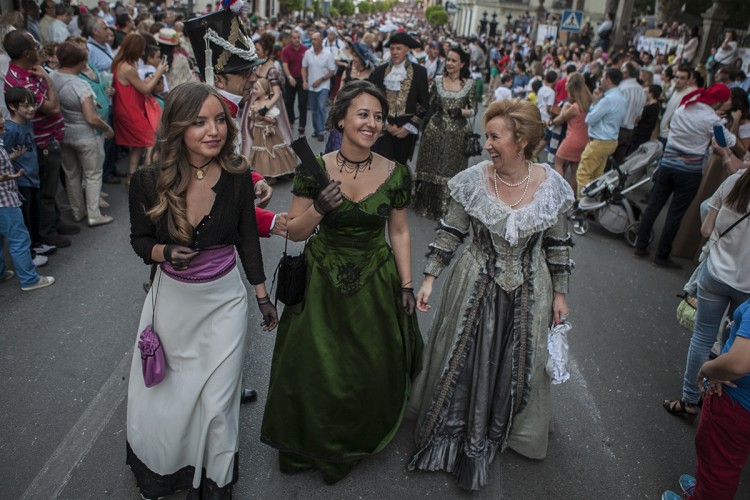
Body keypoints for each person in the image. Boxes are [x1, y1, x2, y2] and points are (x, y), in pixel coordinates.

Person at [260, 80, 422, 485]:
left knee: (362, 367)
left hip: (374, 282)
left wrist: (405, 284)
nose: (371, 124)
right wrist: (318, 207)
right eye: (363, 114)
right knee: (315, 368)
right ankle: (309, 442)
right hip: (321, 282)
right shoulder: (314, 167)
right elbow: (294, 232)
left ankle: (351, 440)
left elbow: (399, 232)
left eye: (378, 117)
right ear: (342, 119)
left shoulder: (397, 172)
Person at [408, 98, 574, 491]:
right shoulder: (475, 178)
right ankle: (457, 426)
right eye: (487, 135)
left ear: (522, 141)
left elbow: (559, 245)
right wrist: (430, 276)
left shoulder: (550, 185)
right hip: (474, 283)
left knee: (520, 362)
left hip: (531, 289)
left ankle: (505, 428)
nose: (487, 144)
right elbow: (451, 230)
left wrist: (560, 295)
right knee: (464, 357)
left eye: (495, 137)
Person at [126, 82, 278, 499]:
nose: (214, 130)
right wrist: (162, 251)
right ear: (177, 127)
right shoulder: (146, 180)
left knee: (218, 400)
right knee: (170, 398)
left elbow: (248, 238)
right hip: (172, 304)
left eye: (219, 120)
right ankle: (166, 469)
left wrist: (262, 296)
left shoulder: (237, 176)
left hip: (225, 303)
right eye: (199, 122)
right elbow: (139, 241)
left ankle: (214, 479)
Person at [662, 146, 750, 421]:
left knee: (702, 337)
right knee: (731, 341)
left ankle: (689, 399)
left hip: (715, 273)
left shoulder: (734, 181)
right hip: (747, 287)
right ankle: (716, 391)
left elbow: (705, 229)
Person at [634, 84, 737, 268]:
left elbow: (671, 125)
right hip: (689, 172)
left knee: (653, 206)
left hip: (667, 164)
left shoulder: (685, 107)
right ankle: (662, 254)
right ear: (719, 101)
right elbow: (725, 141)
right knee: (675, 214)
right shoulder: (713, 119)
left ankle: (640, 245)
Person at [661, 292, 750, 500]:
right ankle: (703, 486)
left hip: (736, 404)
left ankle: (705, 492)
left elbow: (738, 363)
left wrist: (708, 369)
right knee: (720, 462)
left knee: (719, 468)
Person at [4, 29, 76, 249]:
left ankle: (54, 221)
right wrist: (47, 78)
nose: (39, 49)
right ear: (26, 53)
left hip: (51, 137)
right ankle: (47, 232)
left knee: (51, 186)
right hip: (43, 142)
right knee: (45, 190)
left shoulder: (30, 70)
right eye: (35, 47)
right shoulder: (21, 82)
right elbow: (53, 108)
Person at [50, 41, 114, 227]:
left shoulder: (53, 76)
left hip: (64, 132)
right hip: (85, 135)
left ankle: (77, 211)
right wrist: (107, 128)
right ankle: (94, 214)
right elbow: (91, 118)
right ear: (79, 62)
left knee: (71, 174)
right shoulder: (80, 85)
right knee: (93, 174)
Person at [412, 45, 476, 220]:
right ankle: (424, 203)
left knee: (451, 167)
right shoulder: (438, 81)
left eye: (454, 60)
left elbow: (474, 110)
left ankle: (446, 206)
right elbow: (427, 102)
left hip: (457, 133)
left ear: (462, 64)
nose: (449, 63)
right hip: (435, 129)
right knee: (430, 164)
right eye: (448, 59)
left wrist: (461, 112)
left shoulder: (469, 84)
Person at [0, 111, 55, 291]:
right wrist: (5, 177)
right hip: (5, 202)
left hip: (6, 198)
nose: (4, 122)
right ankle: (30, 279)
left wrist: (12, 158)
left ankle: (1, 272)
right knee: (19, 239)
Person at [111, 32, 167, 185]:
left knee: (137, 146)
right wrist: (158, 72)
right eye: (141, 50)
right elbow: (145, 88)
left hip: (124, 109)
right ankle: (147, 180)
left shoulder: (118, 64)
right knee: (150, 143)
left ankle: (131, 178)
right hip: (131, 111)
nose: (142, 53)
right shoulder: (127, 68)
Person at [368, 32, 429, 165]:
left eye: (398, 48)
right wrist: (386, 125)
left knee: (400, 167)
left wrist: (408, 127)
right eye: (392, 48)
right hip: (383, 127)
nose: (394, 52)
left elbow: (424, 103)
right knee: (381, 165)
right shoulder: (379, 71)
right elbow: (372, 101)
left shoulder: (419, 72)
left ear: (407, 50)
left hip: (406, 130)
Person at [239, 33, 292, 161]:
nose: (256, 52)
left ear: (266, 51)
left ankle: (274, 166)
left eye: (258, 49)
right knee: (251, 131)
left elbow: (277, 93)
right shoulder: (259, 64)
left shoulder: (272, 69)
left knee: (271, 136)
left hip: (269, 103)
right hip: (255, 100)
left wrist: (265, 109)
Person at [576, 68, 627, 197]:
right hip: (610, 141)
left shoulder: (608, 100)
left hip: (600, 142)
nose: (601, 81)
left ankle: (582, 205)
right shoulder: (621, 97)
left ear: (608, 81)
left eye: (603, 78)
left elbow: (590, 118)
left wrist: (596, 102)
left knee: (583, 173)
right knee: (596, 175)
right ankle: (593, 203)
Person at [324, 41, 376, 153]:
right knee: (338, 148)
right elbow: (340, 92)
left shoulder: (372, 74)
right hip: (345, 114)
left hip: (363, 118)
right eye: (353, 55)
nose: (353, 58)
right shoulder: (347, 70)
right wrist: (335, 112)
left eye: (356, 56)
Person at [246, 78, 297, 179]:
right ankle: (265, 174)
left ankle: (275, 174)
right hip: (258, 132)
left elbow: (274, 121)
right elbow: (252, 118)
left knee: (273, 150)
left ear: (264, 90)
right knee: (261, 152)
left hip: (269, 131)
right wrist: (252, 113)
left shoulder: (268, 103)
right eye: (253, 89)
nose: (254, 91)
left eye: (256, 89)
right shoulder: (255, 102)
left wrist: (261, 115)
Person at [553, 73, 592, 196]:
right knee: (575, 169)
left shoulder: (574, 107)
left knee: (558, 163)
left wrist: (564, 107)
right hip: (585, 140)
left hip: (572, 139)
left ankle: (557, 190)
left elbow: (560, 119)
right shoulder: (589, 103)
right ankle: (572, 194)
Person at [301, 31, 336, 141]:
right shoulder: (308, 53)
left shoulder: (328, 53)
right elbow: (303, 67)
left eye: (315, 39)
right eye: (312, 39)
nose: (313, 41)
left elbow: (332, 71)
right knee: (314, 109)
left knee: (321, 107)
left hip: (323, 86)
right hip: (311, 87)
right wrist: (304, 80)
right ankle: (317, 130)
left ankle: (321, 130)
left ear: (321, 40)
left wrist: (321, 80)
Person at [613, 62, 647, 165]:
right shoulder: (642, 91)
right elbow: (639, 116)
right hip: (630, 130)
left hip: (618, 129)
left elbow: (614, 110)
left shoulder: (622, 88)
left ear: (625, 73)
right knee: (618, 162)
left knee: (607, 162)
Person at [281, 30, 308, 134]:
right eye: (294, 38)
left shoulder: (305, 50)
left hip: (302, 79)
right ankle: (291, 120)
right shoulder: (286, 50)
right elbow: (285, 65)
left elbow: (307, 66)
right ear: (290, 38)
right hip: (290, 79)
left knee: (302, 103)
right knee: (289, 102)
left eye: (298, 37)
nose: (296, 40)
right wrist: (289, 77)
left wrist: (306, 79)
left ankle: (302, 125)